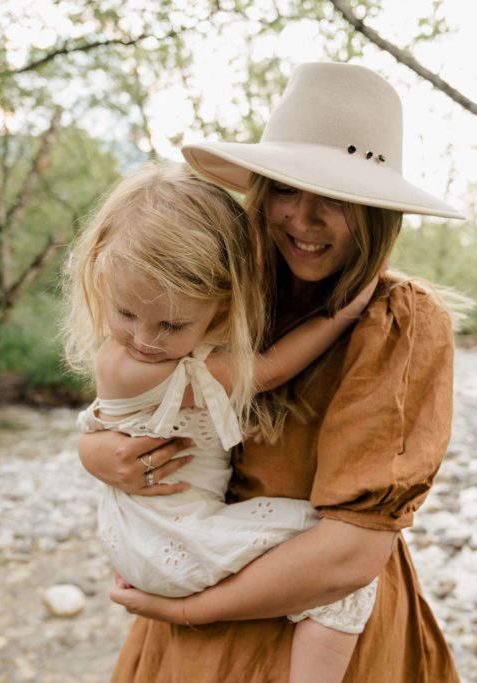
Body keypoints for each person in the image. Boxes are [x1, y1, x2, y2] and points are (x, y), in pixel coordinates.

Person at [80, 61, 466, 682]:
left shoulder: (399, 323)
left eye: (336, 199)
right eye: (285, 189)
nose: (303, 218)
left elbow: (349, 556)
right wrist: (96, 453)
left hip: (307, 630)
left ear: (376, 213)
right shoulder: (219, 296)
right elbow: (134, 403)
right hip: (191, 615)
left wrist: (190, 609)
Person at [64, 163, 382, 683]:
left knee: (335, 556)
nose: (144, 339)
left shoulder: (167, 348)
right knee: (343, 573)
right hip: (172, 540)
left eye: (170, 324)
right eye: (125, 314)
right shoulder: (135, 366)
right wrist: (345, 314)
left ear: (222, 303)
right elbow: (269, 370)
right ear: (101, 278)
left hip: (149, 537)